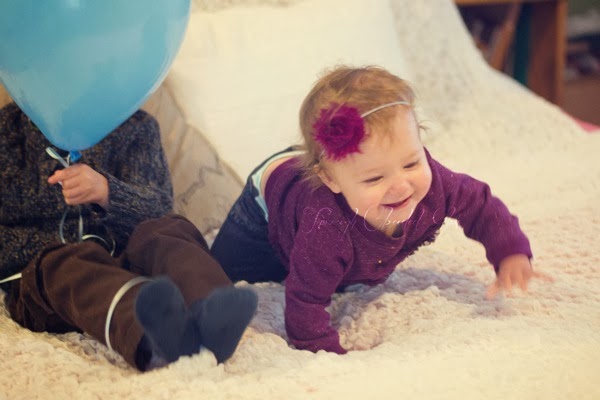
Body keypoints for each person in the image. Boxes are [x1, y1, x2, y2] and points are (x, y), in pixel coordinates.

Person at [211, 65, 550, 355]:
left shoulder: (435, 185)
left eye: (411, 163)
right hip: (266, 206)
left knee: (332, 270)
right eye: (375, 178)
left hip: (325, 189)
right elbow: (305, 301)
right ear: (331, 179)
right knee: (222, 275)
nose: (401, 186)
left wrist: (510, 252)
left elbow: (480, 204)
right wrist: (325, 353)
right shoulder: (325, 227)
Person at [0, 101, 257, 371]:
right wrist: (55, 248)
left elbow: (157, 210)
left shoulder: (136, 126)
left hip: (128, 260)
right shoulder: (8, 129)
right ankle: (155, 335)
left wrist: (108, 193)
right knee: (65, 264)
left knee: (168, 227)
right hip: (48, 282)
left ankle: (212, 311)